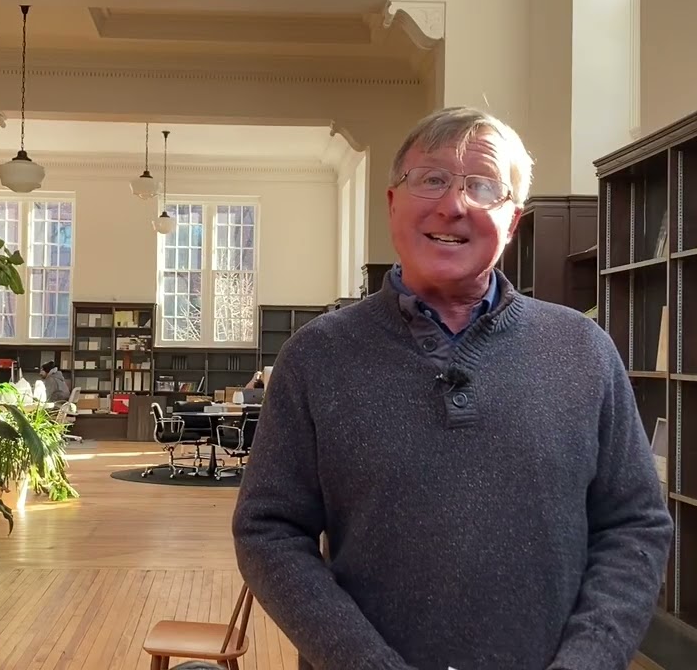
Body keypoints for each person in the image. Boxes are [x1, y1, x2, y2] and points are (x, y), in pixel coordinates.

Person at [232, 106, 674, 670]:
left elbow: (634, 525)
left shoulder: (583, 351)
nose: (453, 204)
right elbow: (269, 530)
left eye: (483, 186)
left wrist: (587, 661)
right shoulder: (317, 357)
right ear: (392, 203)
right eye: (432, 178)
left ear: (512, 222)